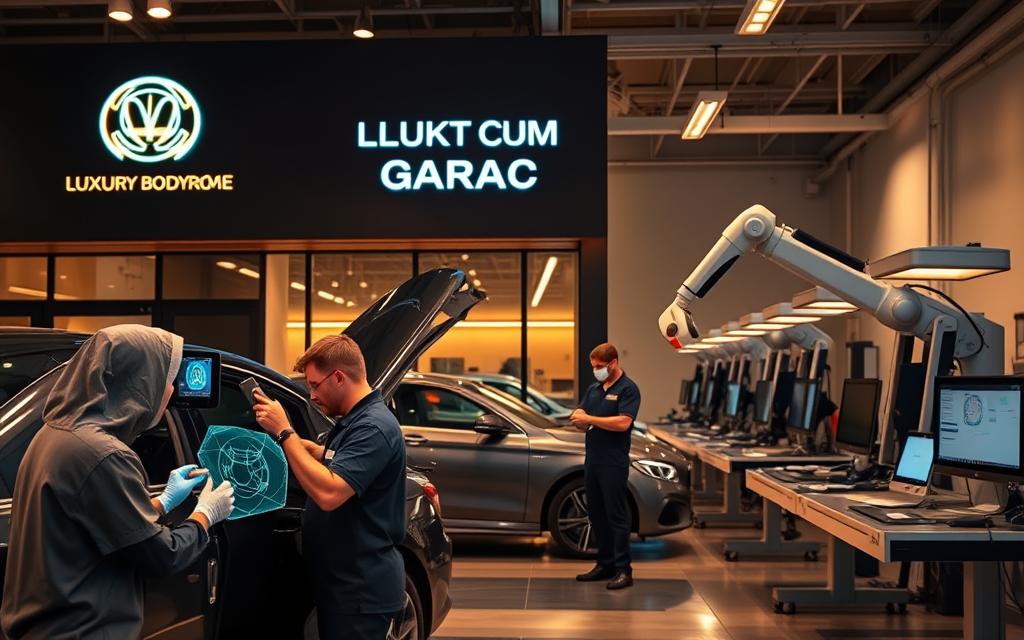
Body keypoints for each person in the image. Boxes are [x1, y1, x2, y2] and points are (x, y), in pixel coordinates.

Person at [1, 324, 235, 640]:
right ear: (141, 382)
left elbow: (97, 522)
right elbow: (162, 556)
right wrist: (205, 515)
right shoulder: (104, 454)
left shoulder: (53, 434)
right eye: (166, 379)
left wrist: (162, 502)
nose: (171, 391)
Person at [252, 334, 406, 640]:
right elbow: (346, 463)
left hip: (361, 594)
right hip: (346, 589)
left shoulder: (373, 426)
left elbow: (329, 493)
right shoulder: (357, 421)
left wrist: (285, 432)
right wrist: (317, 452)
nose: (311, 395)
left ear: (338, 377)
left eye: (314, 385)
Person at [571, 342, 641, 590]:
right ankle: (605, 564)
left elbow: (623, 423)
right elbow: (581, 411)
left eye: (600, 366)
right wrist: (580, 418)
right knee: (597, 515)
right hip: (593, 460)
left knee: (616, 517)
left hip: (613, 462)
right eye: (593, 366)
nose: (596, 370)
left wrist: (589, 418)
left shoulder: (628, 389)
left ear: (613, 363)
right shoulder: (594, 389)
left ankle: (624, 570)